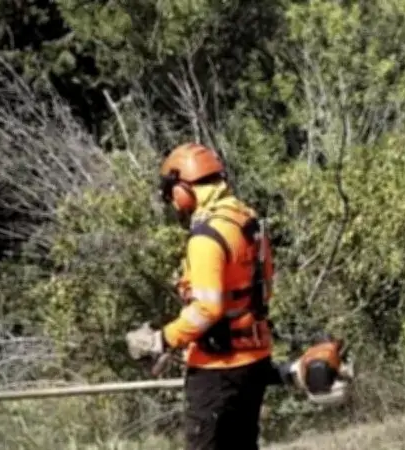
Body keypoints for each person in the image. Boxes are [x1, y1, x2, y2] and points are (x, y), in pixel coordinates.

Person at [125, 143, 348, 449]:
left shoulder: (206, 237)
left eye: (173, 196)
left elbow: (207, 308)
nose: (175, 206)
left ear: (183, 190)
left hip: (216, 370)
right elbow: (256, 292)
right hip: (253, 362)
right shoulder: (247, 221)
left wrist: (161, 340)